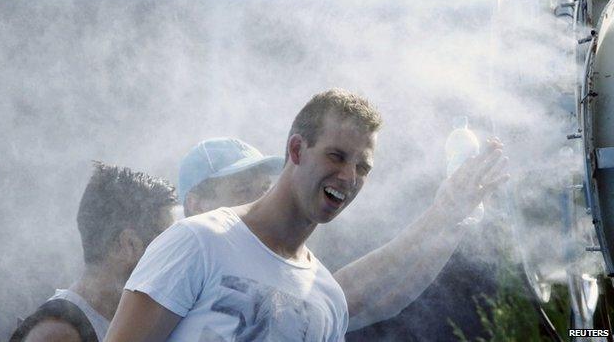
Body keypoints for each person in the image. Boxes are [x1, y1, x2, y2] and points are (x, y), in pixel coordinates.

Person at [105, 88, 508, 341]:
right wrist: (442, 215)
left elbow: (384, 293)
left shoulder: (325, 294)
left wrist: (451, 218)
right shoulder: (195, 242)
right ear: (296, 152)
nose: (348, 177)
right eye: (336, 156)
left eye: (363, 168)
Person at [10, 162, 177, 342]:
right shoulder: (58, 334)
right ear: (128, 245)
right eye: (165, 241)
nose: (174, 255)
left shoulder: (127, 319)